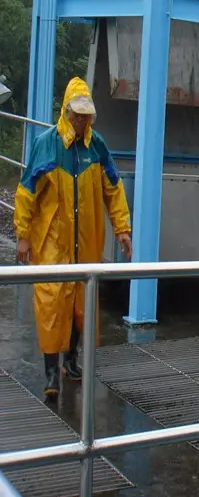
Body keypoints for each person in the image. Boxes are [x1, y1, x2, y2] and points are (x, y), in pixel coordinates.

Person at [14, 77, 132, 400]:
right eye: (78, 116)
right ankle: (51, 371)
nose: (82, 121)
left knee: (82, 302)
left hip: (86, 241)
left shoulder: (97, 147)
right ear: (66, 112)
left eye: (87, 116)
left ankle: (71, 359)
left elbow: (113, 188)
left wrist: (122, 229)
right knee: (53, 303)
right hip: (53, 240)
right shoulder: (47, 145)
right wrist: (23, 236)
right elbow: (27, 192)